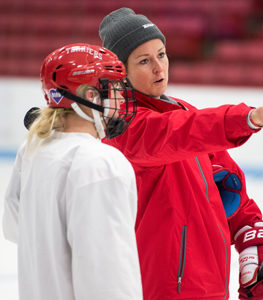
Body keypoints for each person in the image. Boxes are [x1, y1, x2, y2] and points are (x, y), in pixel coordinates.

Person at [99, 8, 263, 300]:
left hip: (212, 287)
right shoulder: (124, 128)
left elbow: (228, 187)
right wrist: (248, 118)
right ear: (121, 72)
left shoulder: (181, 110)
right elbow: (181, 132)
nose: (159, 68)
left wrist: (251, 233)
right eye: (144, 60)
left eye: (162, 54)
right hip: (161, 290)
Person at [2, 43, 143, 300]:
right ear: (90, 96)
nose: (121, 97)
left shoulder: (32, 149)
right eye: (113, 88)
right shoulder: (101, 162)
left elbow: (14, 228)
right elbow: (109, 280)